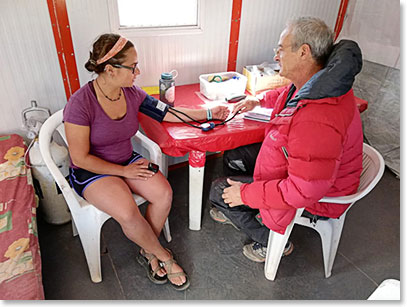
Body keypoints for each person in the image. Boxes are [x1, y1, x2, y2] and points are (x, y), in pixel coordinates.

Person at [63, 33, 229, 290]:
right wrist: (123, 171)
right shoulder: (80, 104)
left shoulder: (131, 94)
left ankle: (146, 252)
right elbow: (79, 157)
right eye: (132, 66)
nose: (138, 71)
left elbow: (167, 113)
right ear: (109, 70)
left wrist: (208, 113)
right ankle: (163, 255)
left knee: (163, 193)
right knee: (128, 212)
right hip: (92, 171)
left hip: (126, 160)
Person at [209, 17, 364, 263]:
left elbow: (304, 190)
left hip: (316, 194)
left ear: (304, 52)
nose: (276, 55)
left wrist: (246, 195)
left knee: (219, 192)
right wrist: (258, 100)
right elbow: (286, 94)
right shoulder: (318, 82)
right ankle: (252, 208)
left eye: (280, 48)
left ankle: (270, 241)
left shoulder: (318, 118)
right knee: (234, 157)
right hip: (295, 164)